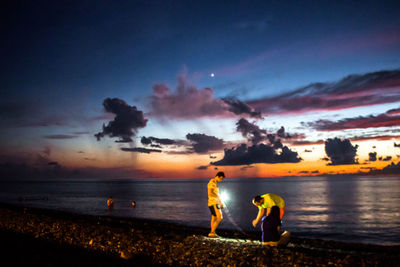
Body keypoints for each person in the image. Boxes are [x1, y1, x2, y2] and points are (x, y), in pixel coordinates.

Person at [207, 171, 225, 238]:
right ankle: (212, 232)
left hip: (211, 202)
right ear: (217, 176)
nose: (221, 180)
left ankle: (212, 233)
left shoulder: (214, 183)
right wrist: (220, 201)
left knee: (214, 217)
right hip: (214, 202)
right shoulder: (212, 183)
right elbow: (210, 193)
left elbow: (213, 193)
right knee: (220, 217)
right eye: (221, 178)